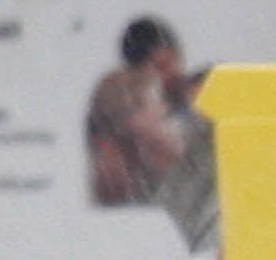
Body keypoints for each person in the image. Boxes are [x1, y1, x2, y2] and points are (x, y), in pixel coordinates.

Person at [85, 18, 199, 211]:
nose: (170, 73)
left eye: (171, 62)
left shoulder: (193, 94)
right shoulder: (122, 104)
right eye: (159, 68)